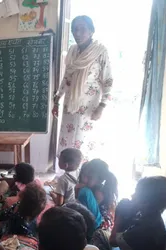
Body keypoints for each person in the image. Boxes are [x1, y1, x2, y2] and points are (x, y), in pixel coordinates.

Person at [53, 15, 113, 161]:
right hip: (70, 103)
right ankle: (66, 176)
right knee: (67, 141)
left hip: (88, 106)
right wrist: (57, 99)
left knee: (84, 144)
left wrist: (102, 106)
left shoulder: (100, 52)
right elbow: (67, 77)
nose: (78, 33)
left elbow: (108, 80)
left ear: (92, 31)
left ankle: (84, 178)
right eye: (75, 29)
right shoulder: (72, 51)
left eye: (82, 29)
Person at [77, 159, 118, 250]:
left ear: (100, 180)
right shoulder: (98, 188)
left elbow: (88, 213)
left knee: (84, 192)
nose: (85, 180)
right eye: (84, 175)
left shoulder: (97, 192)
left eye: (89, 177)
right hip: (104, 226)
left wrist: (78, 193)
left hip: (100, 227)